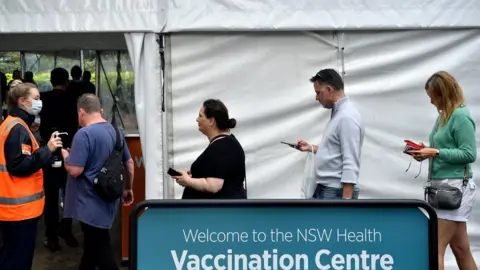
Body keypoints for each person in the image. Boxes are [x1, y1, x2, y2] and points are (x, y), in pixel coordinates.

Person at [408, 71, 477, 270]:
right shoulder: (443, 117)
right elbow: (445, 148)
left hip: (454, 189)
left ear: (443, 94)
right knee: (460, 248)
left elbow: (469, 154)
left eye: (432, 97)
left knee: (434, 249)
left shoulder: (460, 117)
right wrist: (425, 150)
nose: (431, 102)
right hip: (444, 189)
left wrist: (435, 152)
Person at [61, 94, 134, 270]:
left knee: (101, 248)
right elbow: (129, 164)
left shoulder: (83, 134)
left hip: (88, 202)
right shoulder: (116, 132)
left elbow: (75, 170)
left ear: (81, 112)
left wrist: (66, 156)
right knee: (93, 243)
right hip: (108, 197)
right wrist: (128, 188)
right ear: (100, 110)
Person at [0, 82, 63, 270]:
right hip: (18, 210)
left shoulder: (12, 124)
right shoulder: (17, 128)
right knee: (17, 261)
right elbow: (19, 166)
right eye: (36, 99)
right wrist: (48, 150)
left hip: (14, 208)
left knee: (10, 256)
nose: (39, 102)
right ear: (22, 101)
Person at [296, 68, 365, 200]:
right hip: (329, 189)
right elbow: (335, 151)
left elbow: (350, 161)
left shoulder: (347, 117)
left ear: (328, 89)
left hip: (335, 191)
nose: (316, 98)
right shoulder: (339, 114)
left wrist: (346, 202)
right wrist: (311, 148)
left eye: (318, 93)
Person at [173, 99, 247, 199]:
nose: (197, 119)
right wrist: (195, 176)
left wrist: (188, 181)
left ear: (211, 121)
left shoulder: (220, 147)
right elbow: (220, 174)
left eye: (200, 116)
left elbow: (213, 186)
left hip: (217, 212)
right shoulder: (228, 143)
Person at [39, 67, 78, 252]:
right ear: (67, 81)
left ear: (50, 79)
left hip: (49, 150)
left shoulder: (43, 98)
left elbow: (39, 126)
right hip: (69, 150)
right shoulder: (72, 100)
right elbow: (75, 125)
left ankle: (51, 235)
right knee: (69, 192)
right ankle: (67, 228)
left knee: (51, 194)